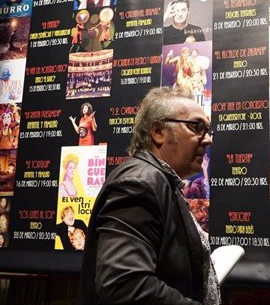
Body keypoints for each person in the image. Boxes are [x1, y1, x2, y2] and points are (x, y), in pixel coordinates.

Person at [80, 87, 220, 304]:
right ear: (158, 131)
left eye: (208, 129)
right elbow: (123, 284)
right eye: (197, 126)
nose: (208, 139)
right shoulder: (139, 183)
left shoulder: (161, 182)